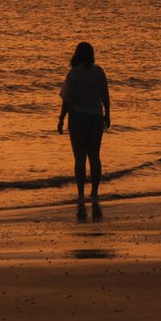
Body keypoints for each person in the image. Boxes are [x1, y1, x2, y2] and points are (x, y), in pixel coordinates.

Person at [57, 40, 110, 219]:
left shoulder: (74, 73)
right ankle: (94, 193)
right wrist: (107, 115)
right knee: (94, 156)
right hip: (95, 117)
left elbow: (67, 99)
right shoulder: (99, 72)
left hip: (78, 118)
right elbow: (105, 96)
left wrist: (61, 119)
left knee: (79, 158)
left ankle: (81, 194)